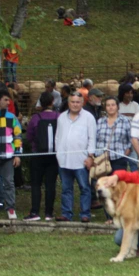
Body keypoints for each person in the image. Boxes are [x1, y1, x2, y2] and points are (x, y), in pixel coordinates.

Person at [55, 91, 96, 222]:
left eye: (78, 102)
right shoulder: (61, 117)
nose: (75, 104)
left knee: (84, 188)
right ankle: (66, 214)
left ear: (82, 103)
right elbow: (57, 137)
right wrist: (58, 154)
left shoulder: (89, 117)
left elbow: (92, 138)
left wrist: (91, 156)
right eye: (72, 102)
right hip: (64, 160)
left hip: (82, 160)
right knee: (66, 189)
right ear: (68, 103)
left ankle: (85, 214)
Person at [24, 91, 60, 221]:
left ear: (41, 102)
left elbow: (29, 136)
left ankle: (35, 212)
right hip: (54, 155)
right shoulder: (59, 116)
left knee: (36, 184)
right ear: (52, 102)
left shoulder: (35, 118)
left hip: (38, 154)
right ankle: (49, 213)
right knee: (50, 184)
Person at [0, 89, 22, 219]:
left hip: (8, 157)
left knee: (9, 183)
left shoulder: (12, 117)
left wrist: (17, 155)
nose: (8, 102)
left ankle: (10, 208)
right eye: (6, 99)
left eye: (9, 100)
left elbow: (18, 137)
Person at [95, 97, 131, 176]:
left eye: (113, 105)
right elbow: (95, 139)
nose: (110, 107)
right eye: (108, 105)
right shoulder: (100, 121)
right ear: (105, 107)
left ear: (117, 107)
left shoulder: (125, 121)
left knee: (118, 185)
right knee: (102, 185)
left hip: (118, 159)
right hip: (101, 160)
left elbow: (130, 139)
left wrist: (127, 152)